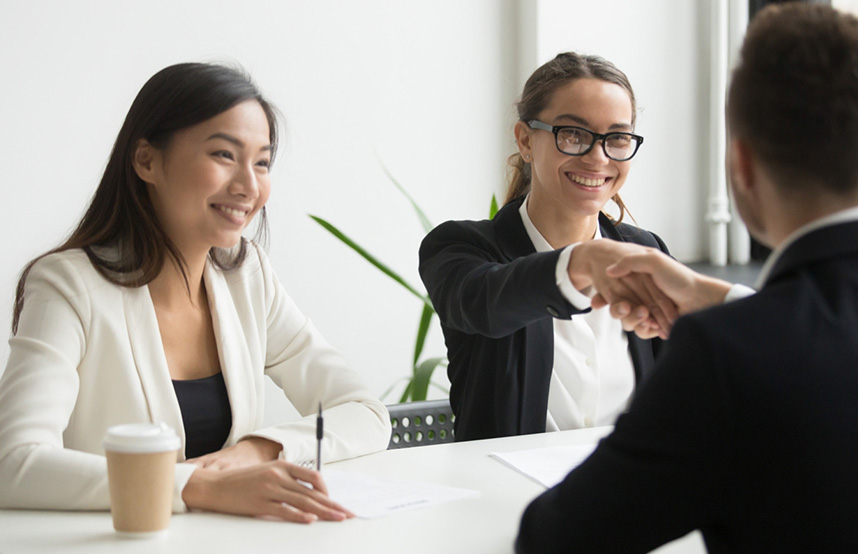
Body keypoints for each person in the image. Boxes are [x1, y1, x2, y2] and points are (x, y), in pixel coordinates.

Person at [517, 4, 858, 553]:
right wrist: (728, 300)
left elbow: (558, 538)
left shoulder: (728, 356)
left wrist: (735, 318)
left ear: (738, 164)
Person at [0, 63, 391, 523]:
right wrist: (201, 485)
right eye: (224, 155)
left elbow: (364, 412)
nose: (249, 186)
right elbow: (13, 463)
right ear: (146, 160)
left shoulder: (248, 277)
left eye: (262, 162)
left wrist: (259, 450)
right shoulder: (68, 286)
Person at [420, 53, 698, 441]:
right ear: (525, 140)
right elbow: (485, 303)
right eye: (573, 134)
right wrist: (580, 263)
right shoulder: (462, 248)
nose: (597, 157)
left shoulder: (646, 249)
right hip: (507, 498)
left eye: (616, 138)